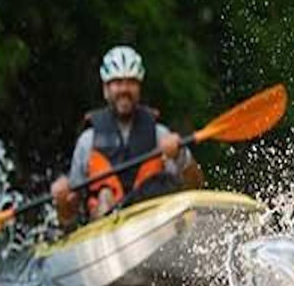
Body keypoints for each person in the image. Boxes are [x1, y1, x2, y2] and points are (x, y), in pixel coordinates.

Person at [50, 45, 203, 227]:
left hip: (151, 221)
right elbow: (69, 216)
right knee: (105, 195)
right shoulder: (87, 141)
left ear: (139, 88)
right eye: (117, 82)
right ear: (106, 89)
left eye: (131, 82)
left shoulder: (160, 135)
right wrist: (62, 201)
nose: (124, 89)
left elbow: (195, 185)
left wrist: (181, 156)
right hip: (105, 226)